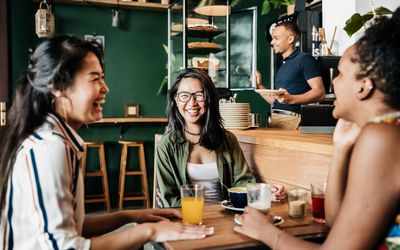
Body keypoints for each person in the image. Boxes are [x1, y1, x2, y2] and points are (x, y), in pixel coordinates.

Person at [0, 35, 213, 249]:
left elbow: (74, 225)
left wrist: (130, 216)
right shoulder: (49, 148)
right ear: (59, 87)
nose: (105, 88)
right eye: (94, 79)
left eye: (102, 78)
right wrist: (150, 230)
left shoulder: (56, 139)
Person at [234, 7, 400, 249]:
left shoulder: (384, 137)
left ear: (364, 87)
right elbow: (336, 221)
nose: (333, 82)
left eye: (341, 73)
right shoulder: (383, 131)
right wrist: (341, 148)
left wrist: (268, 233)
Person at [155, 68, 286, 207]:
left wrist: (265, 193)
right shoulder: (166, 146)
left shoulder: (227, 139)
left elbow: (242, 181)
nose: (192, 103)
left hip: (226, 216)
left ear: (209, 98)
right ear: (175, 99)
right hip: (188, 220)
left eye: (199, 95)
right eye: (184, 95)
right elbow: (170, 200)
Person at [256, 21, 325, 129]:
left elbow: (320, 93)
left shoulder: (305, 59)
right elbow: (275, 102)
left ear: (290, 39)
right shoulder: (283, 64)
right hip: (276, 119)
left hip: (293, 121)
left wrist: (291, 99)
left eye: (276, 38)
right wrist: (258, 85)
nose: (272, 42)